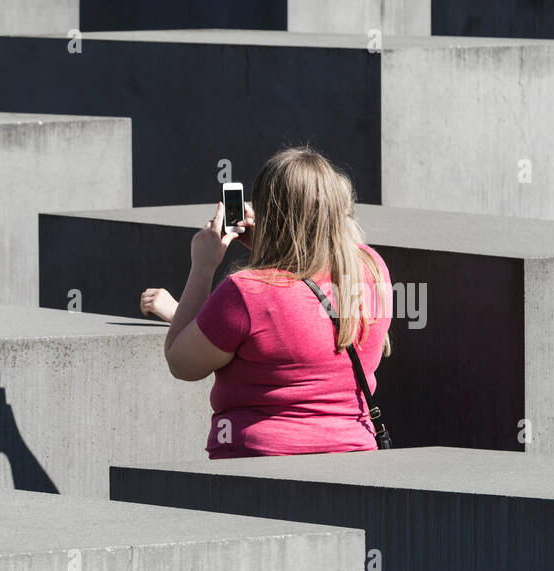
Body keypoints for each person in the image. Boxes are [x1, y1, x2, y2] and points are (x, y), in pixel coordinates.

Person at [140, 147, 392, 458]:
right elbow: (303, 306)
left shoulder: (245, 293)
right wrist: (270, 245)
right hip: (356, 458)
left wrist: (203, 266)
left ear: (268, 213)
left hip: (258, 469)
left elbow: (181, 362)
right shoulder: (371, 269)